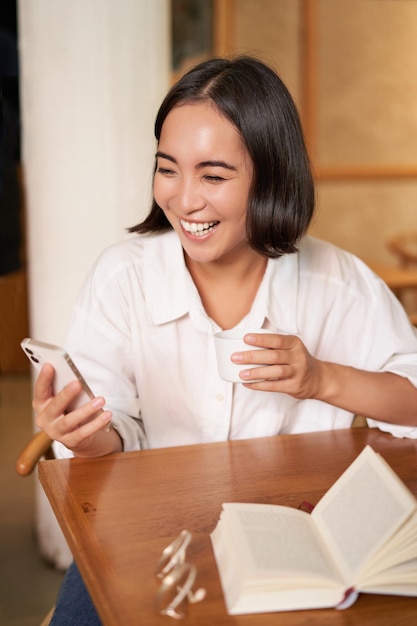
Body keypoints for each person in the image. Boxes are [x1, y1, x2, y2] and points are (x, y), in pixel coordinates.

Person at [34, 55, 417, 624]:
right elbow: (110, 441)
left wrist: (322, 379)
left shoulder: (337, 283)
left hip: (295, 544)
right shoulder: (123, 279)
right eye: (168, 168)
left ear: (271, 175)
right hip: (146, 539)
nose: (185, 200)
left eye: (213, 176)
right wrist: (86, 440)